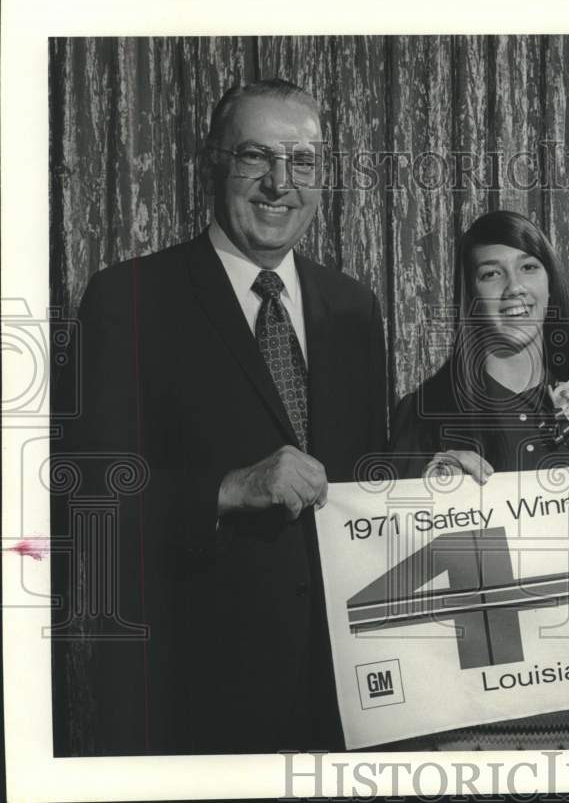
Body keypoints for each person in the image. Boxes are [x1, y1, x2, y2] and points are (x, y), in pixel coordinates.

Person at [51, 79, 387, 755]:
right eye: (255, 156)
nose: (279, 183)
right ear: (214, 163)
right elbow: (84, 488)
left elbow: (361, 481)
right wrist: (230, 488)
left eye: (303, 161)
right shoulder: (128, 298)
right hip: (190, 696)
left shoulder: (353, 309)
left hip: (339, 695)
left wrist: (439, 474)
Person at [389, 210, 569, 750]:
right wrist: (426, 499)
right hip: (459, 716)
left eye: (529, 267)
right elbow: (387, 565)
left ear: (551, 283)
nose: (514, 287)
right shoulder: (424, 413)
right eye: (490, 273)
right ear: (469, 293)